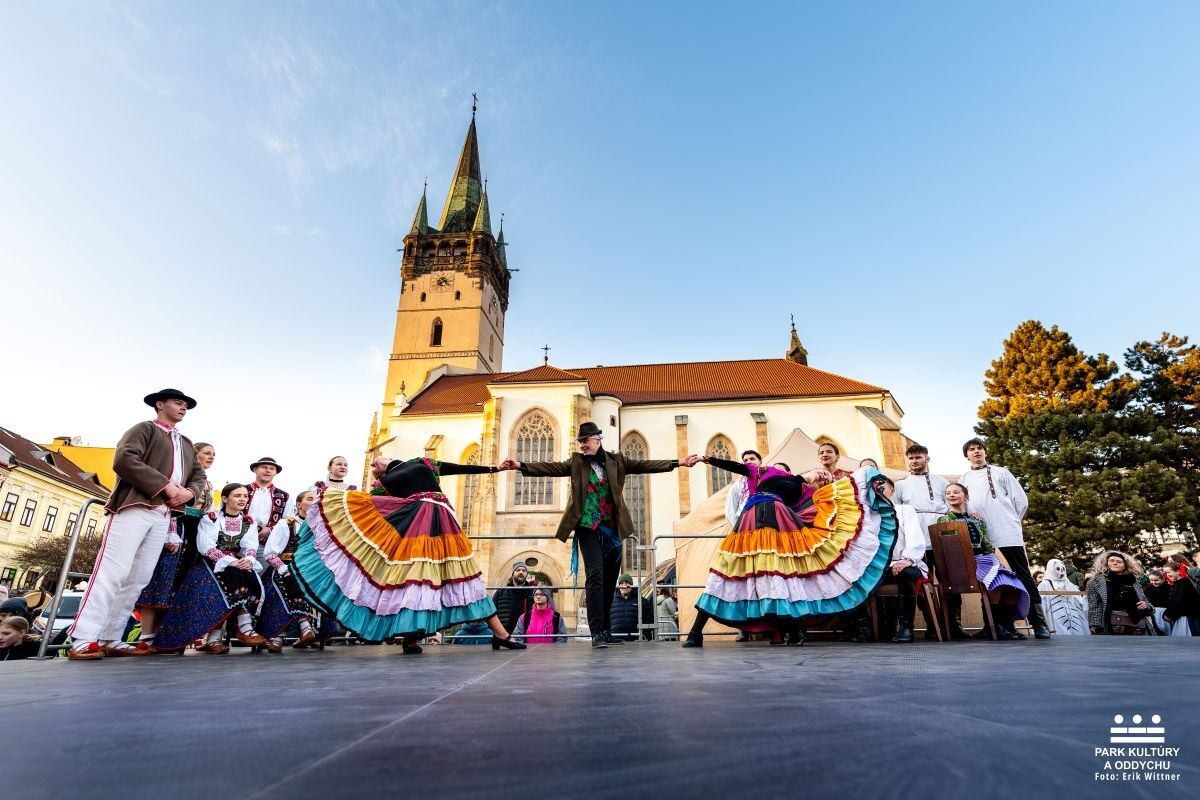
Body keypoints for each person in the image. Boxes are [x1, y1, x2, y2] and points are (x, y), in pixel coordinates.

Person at [291, 456, 526, 653]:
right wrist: (330, 499)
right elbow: (366, 503)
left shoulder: (423, 461)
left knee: (465, 574)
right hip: (415, 526)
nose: (374, 464)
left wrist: (493, 469)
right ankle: (411, 639)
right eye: (372, 467)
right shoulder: (382, 484)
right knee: (414, 581)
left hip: (443, 521)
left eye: (377, 463)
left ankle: (500, 634)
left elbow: (455, 468)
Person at [502, 421, 700, 649]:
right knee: (595, 576)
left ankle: (606, 630)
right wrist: (519, 465)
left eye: (585, 441)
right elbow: (552, 468)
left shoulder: (617, 461)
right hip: (588, 527)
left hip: (612, 530)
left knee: (608, 581)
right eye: (580, 442)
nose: (582, 445)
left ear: (597, 440)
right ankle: (597, 633)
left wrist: (679, 462)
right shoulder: (576, 462)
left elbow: (645, 465)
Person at [683, 460, 896, 648]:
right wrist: (707, 459)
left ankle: (794, 632)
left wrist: (866, 479)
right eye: (822, 473)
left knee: (780, 578)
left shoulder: (808, 494)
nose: (824, 477)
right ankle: (695, 633)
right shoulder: (767, 473)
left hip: (778, 522)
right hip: (749, 520)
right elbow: (739, 467)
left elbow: (826, 507)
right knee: (726, 571)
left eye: (826, 479)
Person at [67, 389, 208, 661]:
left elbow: (198, 476)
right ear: (159, 404)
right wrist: (165, 486)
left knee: (139, 577)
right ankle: (83, 638)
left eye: (185, 405)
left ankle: (111, 637)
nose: (183, 408)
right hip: (135, 506)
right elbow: (124, 459)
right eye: (178, 403)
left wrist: (189, 493)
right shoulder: (144, 429)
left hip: (163, 514)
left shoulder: (186, 442)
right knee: (112, 571)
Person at [152, 484, 268, 653]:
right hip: (210, 562)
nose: (242, 499)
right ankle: (216, 638)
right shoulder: (211, 518)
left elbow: (250, 545)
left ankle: (244, 627)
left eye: (244, 496)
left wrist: (249, 559)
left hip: (235, 561)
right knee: (228, 580)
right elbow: (206, 546)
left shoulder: (248, 522)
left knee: (249, 577)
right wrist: (229, 561)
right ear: (224, 498)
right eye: (237, 496)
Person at [956, 438, 1050, 639]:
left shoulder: (1002, 473)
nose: (976, 451)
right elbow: (966, 506)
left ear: (985, 452)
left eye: (979, 448)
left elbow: (1020, 501)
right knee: (993, 580)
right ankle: (999, 625)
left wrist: (1009, 521)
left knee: (1022, 576)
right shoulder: (964, 479)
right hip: (983, 537)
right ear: (967, 456)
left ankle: (1038, 623)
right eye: (971, 449)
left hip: (1008, 533)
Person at [134, 440, 216, 650]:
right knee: (163, 578)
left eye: (213, 454)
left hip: (197, 529)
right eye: (207, 453)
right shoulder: (182, 476)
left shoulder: (207, 483)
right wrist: (170, 533)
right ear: (194, 454)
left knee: (181, 582)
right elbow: (171, 505)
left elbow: (206, 511)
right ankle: (147, 636)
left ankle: (167, 635)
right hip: (178, 526)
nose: (211, 457)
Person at [936, 483, 1030, 640]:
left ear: (966, 497)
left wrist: (992, 557)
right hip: (965, 563)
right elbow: (949, 547)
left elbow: (986, 544)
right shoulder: (944, 519)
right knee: (995, 583)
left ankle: (1005, 625)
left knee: (1013, 583)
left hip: (985, 560)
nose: (951, 495)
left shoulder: (977, 519)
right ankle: (995, 626)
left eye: (956, 492)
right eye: (948, 493)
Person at [260, 490, 324, 653]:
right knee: (285, 587)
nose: (314, 501)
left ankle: (285, 636)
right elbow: (270, 553)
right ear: (298, 504)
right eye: (310, 499)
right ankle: (301, 628)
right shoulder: (286, 524)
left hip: (309, 570)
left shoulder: (321, 526)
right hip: (284, 567)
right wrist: (285, 569)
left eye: (317, 499)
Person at [876, 479, 929, 643]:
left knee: (904, 573)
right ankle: (882, 627)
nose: (877, 490)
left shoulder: (905, 510)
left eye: (881, 487)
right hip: (881, 567)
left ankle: (906, 627)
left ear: (892, 491)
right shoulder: (869, 516)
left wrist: (907, 559)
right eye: (874, 489)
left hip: (907, 563)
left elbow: (914, 536)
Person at [1085, 551, 1156, 635]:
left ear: (1125, 565)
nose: (1115, 563)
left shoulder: (1133, 580)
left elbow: (1146, 603)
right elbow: (1094, 606)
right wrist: (1094, 625)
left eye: (1119, 561)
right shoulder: (1095, 582)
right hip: (1110, 625)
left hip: (1137, 625)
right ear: (1106, 563)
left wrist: (1147, 607)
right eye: (1111, 561)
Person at [245, 457, 289, 566]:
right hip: (240, 540)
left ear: (275, 473)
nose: (268, 470)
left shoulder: (284, 496)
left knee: (260, 576)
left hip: (266, 543)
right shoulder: (241, 490)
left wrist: (270, 529)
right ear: (255, 469)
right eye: (264, 467)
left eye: (272, 469)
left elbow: (288, 519)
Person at [1037, 559, 1089, 635]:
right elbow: (1042, 604)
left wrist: (1085, 597)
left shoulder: (1070, 585)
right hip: (1055, 618)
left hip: (1074, 618)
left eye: (1063, 569)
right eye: (1057, 569)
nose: (1061, 572)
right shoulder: (1044, 585)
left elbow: (1080, 602)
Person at [492, 563, 537, 634]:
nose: (521, 572)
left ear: (526, 574)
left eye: (523, 570)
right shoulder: (500, 592)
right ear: (513, 574)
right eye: (518, 570)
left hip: (526, 635)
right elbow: (492, 614)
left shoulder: (534, 593)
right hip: (504, 635)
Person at [725, 450, 762, 528]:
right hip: (745, 526)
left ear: (760, 462)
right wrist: (739, 529)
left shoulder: (769, 480)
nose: (749, 461)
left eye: (752, 459)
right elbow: (730, 511)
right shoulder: (736, 486)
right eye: (745, 460)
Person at [1162, 564, 1200, 636]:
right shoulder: (1177, 583)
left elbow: (1180, 601)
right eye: (1166, 573)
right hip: (1180, 617)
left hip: (1187, 618)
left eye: (1169, 572)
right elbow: (1173, 601)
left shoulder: (1185, 583)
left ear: (1177, 571)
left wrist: (1170, 614)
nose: (1167, 575)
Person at [608, 573, 641, 641]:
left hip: (635, 641)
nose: (624, 585)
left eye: (626, 583)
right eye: (622, 583)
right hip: (615, 641)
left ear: (631, 585)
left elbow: (648, 619)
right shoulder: (610, 601)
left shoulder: (641, 601)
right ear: (619, 585)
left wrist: (644, 636)